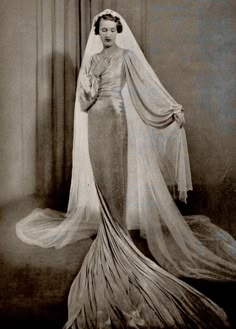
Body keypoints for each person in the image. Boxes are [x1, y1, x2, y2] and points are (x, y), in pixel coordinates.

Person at [16, 9, 236, 328]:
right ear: (98, 32)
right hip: (95, 125)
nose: (106, 34)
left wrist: (171, 110)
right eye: (102, 30)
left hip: (116, 123)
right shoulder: (92, 61)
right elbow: (84, 103)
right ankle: (110, 231)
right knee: (102, 182)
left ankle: (118, 238)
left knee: (116, 181)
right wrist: (88, 88)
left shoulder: (127, 57)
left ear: (117, 30)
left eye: (110, 30)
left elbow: (146, 89)